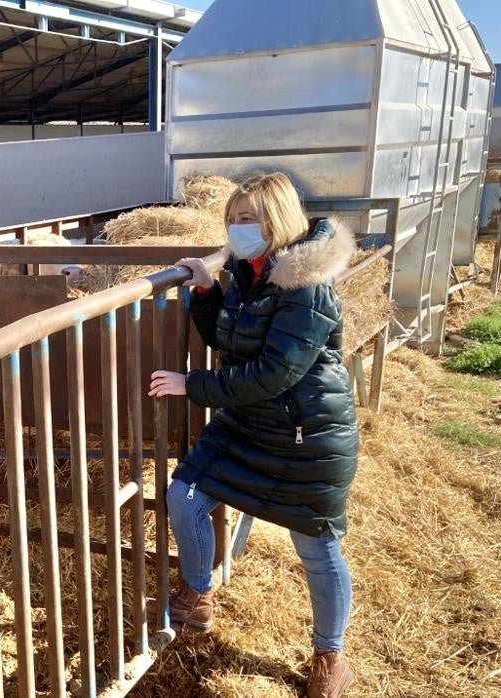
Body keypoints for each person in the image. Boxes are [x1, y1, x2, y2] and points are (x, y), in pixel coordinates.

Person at [148, 173, 360, 698]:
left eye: (251, 218)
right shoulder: (248, 272)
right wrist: (204, 290)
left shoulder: (305, 284)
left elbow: (274, 372)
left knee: (316, 546)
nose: (240, 228)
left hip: (305, 435)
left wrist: (191, 385)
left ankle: (329, 654)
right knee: (185, 494)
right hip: (249, 423)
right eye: (235, 219)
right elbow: (228, 335)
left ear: (279, 220)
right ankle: (199, 593)